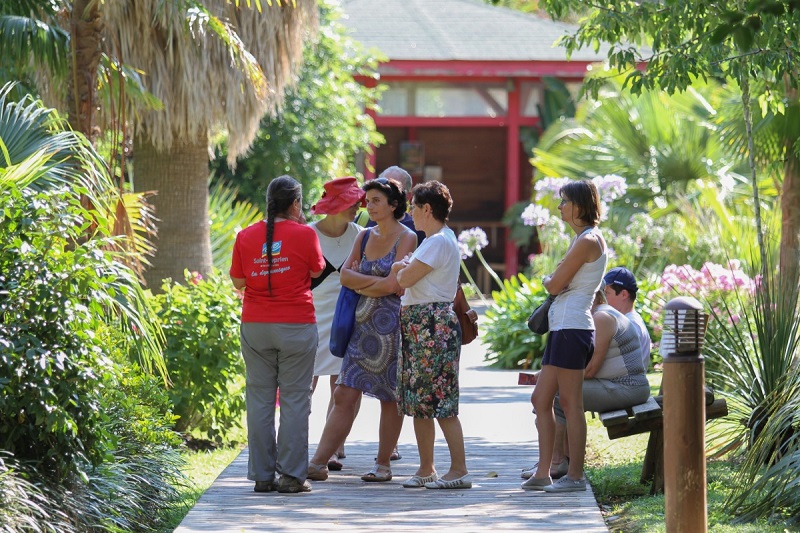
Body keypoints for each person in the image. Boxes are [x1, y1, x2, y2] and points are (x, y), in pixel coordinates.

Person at [307, 177, 417, 483]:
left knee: (389, 397)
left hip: (391, 328)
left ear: (394, 205)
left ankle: (383, 464)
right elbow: (345, 278)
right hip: (360, 326)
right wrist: (377, 285)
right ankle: (318, 462)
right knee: (345, 392)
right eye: (367, 201)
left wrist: (365, 281)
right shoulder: (365, 236)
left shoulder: (406, 237)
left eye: (376, 201)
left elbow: (395, 285)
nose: (368, 206)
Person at [229, 175, 326, 494]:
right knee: (296, 399)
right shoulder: (306, 235)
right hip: (297, 325)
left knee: (259, 398)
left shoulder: (245, 236)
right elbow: (316, 271)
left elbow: (239, 283)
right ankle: (292, 477)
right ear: (295, 203)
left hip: (256, 326)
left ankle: (261, 475)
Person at [524, 179, 607, 493]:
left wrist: (551, 277)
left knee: (571, 403)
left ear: (578, 205)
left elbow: (554, 284)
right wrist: (556, 278)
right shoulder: (583, 239)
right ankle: (544, 472)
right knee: (541, 399)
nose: (559, 207)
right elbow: (559, 282)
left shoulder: (588, 240)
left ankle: (575, 476)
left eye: (563, 201)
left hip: (573, 328)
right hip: (563, 327)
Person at [521, 284, 650, 481]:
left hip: (627, 387)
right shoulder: (597, 316)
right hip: (612, 384)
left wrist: (552, 379)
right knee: (551, 394)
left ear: (593, 296)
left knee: (557, 394)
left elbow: (589, 369)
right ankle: (557, 460)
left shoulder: (601, 318)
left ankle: (557, 462)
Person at [392, 180, 472, 490]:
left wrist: (401, 269)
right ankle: (427, 467)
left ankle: (459, 469)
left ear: (427, 209)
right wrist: (403, 269)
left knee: (440, 400)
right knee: (419, 401)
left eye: (413, 207)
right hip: (419, 323)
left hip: (431, 325)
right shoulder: (437, 240)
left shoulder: (437, 241)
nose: (410, 213)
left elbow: (405, 277)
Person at [308, 177, 366, 471]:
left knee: (342, 386)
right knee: (306, 383)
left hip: (348, 316)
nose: (357, 207)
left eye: (358, 203)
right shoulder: (307, 235)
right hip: (309, 316)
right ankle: (295, 444)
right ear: (334, 206)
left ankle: (330, 447)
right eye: (351, 203)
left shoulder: (362, 235)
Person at [356, 166, 426, 246]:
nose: (369, 206)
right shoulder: (361, 222)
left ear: (407, 196)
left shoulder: (417, 228)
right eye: (380, 185)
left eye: (395, 189)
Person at [603, 267, 652, 371]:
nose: (603, 298)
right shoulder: (630, 320)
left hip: (622, 385)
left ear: (624, 294)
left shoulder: (630, 325)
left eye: (607, 293)